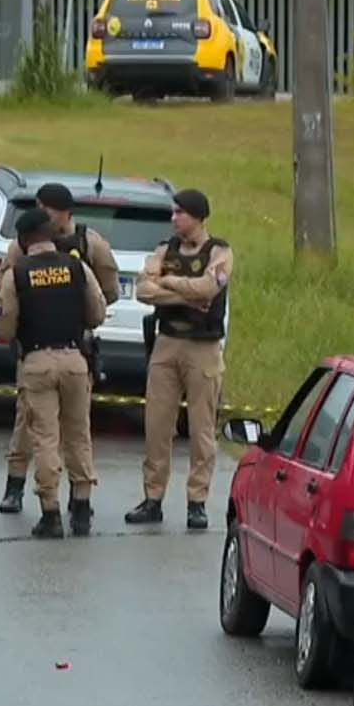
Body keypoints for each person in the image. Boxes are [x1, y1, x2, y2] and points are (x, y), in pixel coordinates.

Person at [0, 183, 119, 514]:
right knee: (30, 424)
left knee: (57, 432)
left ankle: (57, 505)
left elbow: (108, 292)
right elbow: (5, 290)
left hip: (64, 349)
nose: (44, 213)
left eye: (49, 208)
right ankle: (19, 488)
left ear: (66, 213)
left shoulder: (89, 244)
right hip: (53, 352)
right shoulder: (22, 251)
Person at [126, 188, 231, 530]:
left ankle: (197, 502)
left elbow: (209, 289)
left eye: (180, 213)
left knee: (202, 429)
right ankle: (152, 497)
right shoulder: (164, 250)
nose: (174, 219)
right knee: (157, 425)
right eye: (173, 213)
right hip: (167, 343)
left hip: (203, 347)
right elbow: (144, 290)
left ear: (198, 216)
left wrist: (168, 284)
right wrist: (184, 295)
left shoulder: (219, 252)